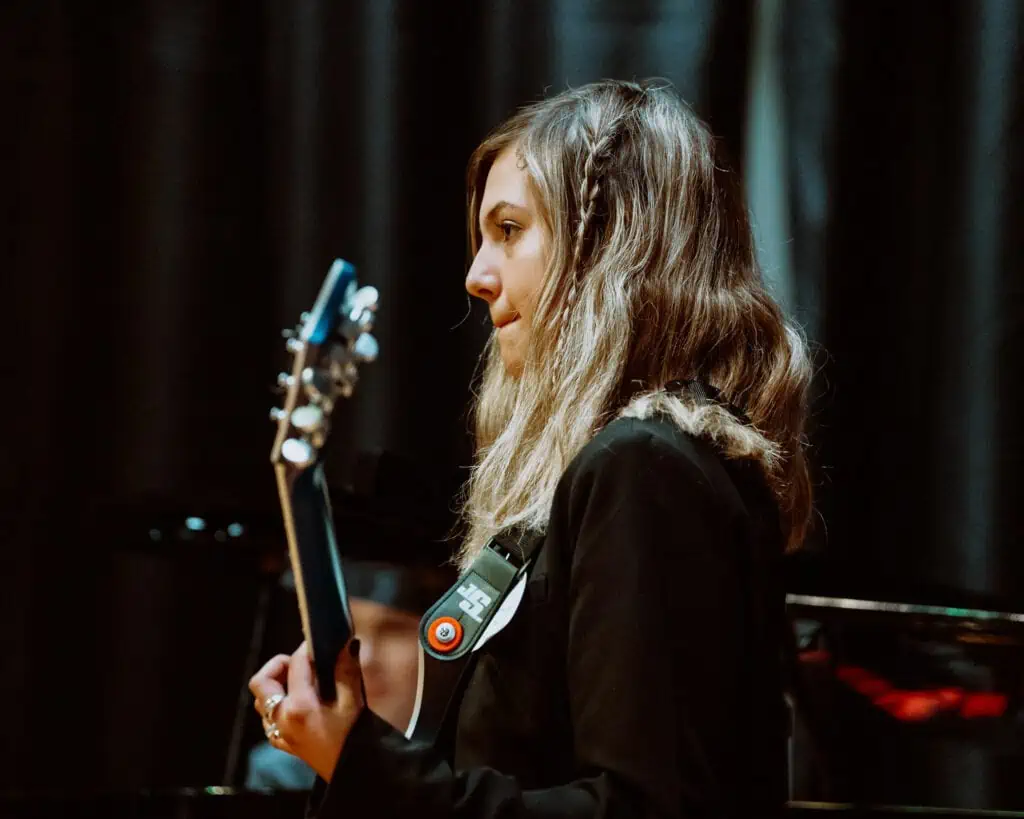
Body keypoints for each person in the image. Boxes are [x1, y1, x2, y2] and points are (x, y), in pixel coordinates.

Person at [249, 79, 813, 818]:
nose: (477, 277)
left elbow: (640, 809)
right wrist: (351, 748)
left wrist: (365, 762)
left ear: (612, 243)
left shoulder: (644, 468)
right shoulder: (611, 471)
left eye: (509, 230)